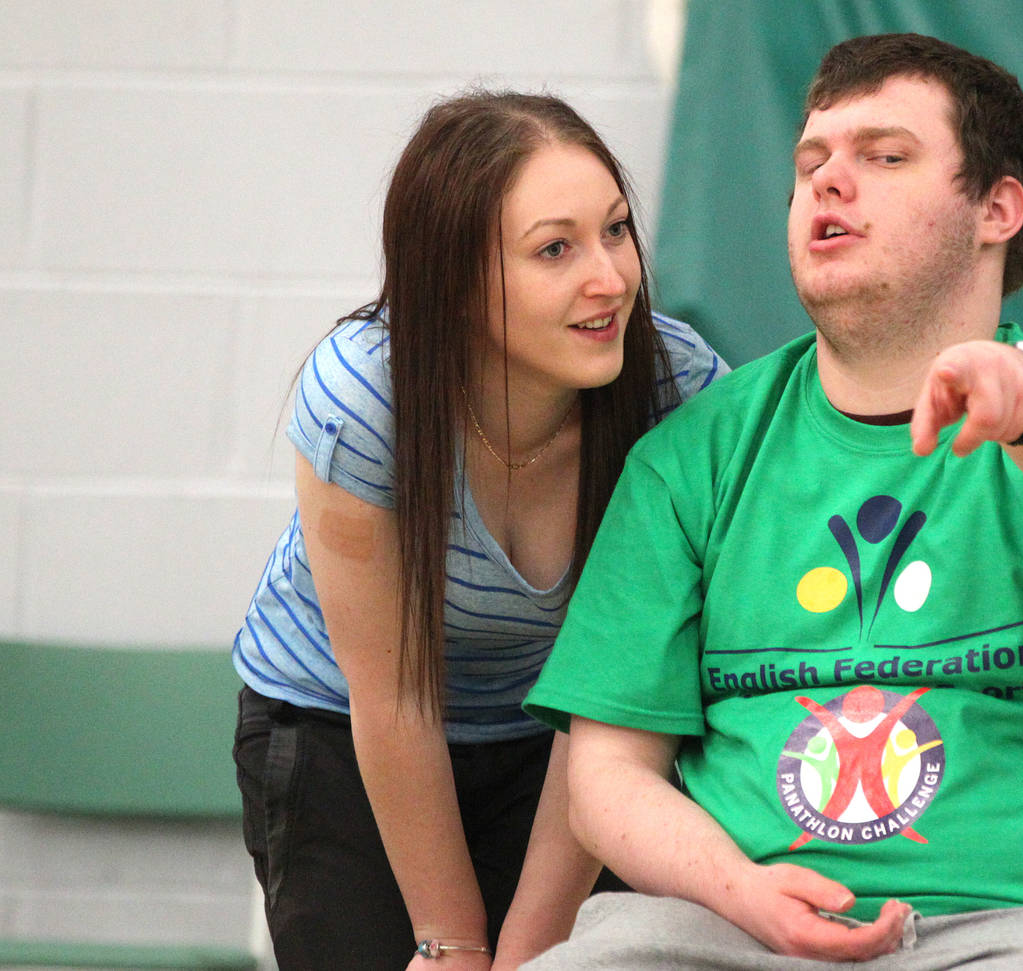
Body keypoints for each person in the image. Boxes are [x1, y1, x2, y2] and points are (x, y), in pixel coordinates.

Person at [523, 33, 1023, 970]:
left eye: (884, 156)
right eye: (812, 162)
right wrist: (740, 889)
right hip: (729, 928)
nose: (829, 182)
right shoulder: (693, 453)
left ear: (998, 207)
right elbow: (605, 778)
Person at [230, 89, 727, 971]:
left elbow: (609, 698)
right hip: (344, 729)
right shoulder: (364, 398)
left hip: (571, 738)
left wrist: (533, 950)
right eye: (555, 249)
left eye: (616, 231)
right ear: (452, 282)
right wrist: (452, 940)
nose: (610, 278)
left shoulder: (677, 393)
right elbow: (394, 698)